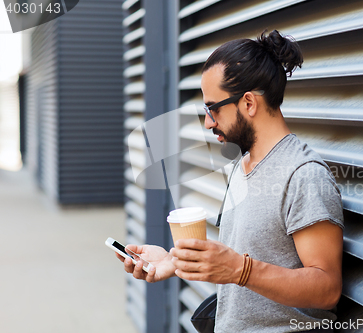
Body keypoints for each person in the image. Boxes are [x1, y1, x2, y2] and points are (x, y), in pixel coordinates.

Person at [117, 30, 344, 333]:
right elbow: (248, 253)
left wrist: (240, 270)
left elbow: (326, 288)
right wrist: (174, 261)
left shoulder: (303, 174)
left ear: (248, 103)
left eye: (213, 108)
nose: (208, 121)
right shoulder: (244, 163)